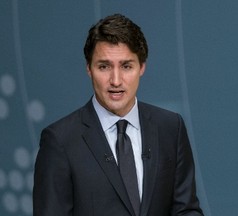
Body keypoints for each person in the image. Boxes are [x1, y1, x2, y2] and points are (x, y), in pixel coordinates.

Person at [33, 13, 204, 216]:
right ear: (89, 69)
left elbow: (186, 210)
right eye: (104, 66)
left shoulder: (170, 128)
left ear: (142, 67)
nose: (116, 80)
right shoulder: (60, 141)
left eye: (126, 66)